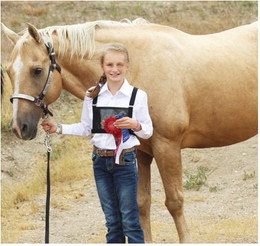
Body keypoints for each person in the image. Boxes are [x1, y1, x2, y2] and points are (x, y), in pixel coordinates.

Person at [41, 42, 153, 243]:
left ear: (127, 66)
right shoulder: (92, 95)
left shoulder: (137, 96)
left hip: (125, 162)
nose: (115, 69)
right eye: (110, 64)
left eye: (120, 64)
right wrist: (58, 127)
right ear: (102, 66)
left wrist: (135, 124)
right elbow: (86, 128)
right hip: (100, 162)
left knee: (130, 220)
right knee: (112, 221)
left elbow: (148, 131)